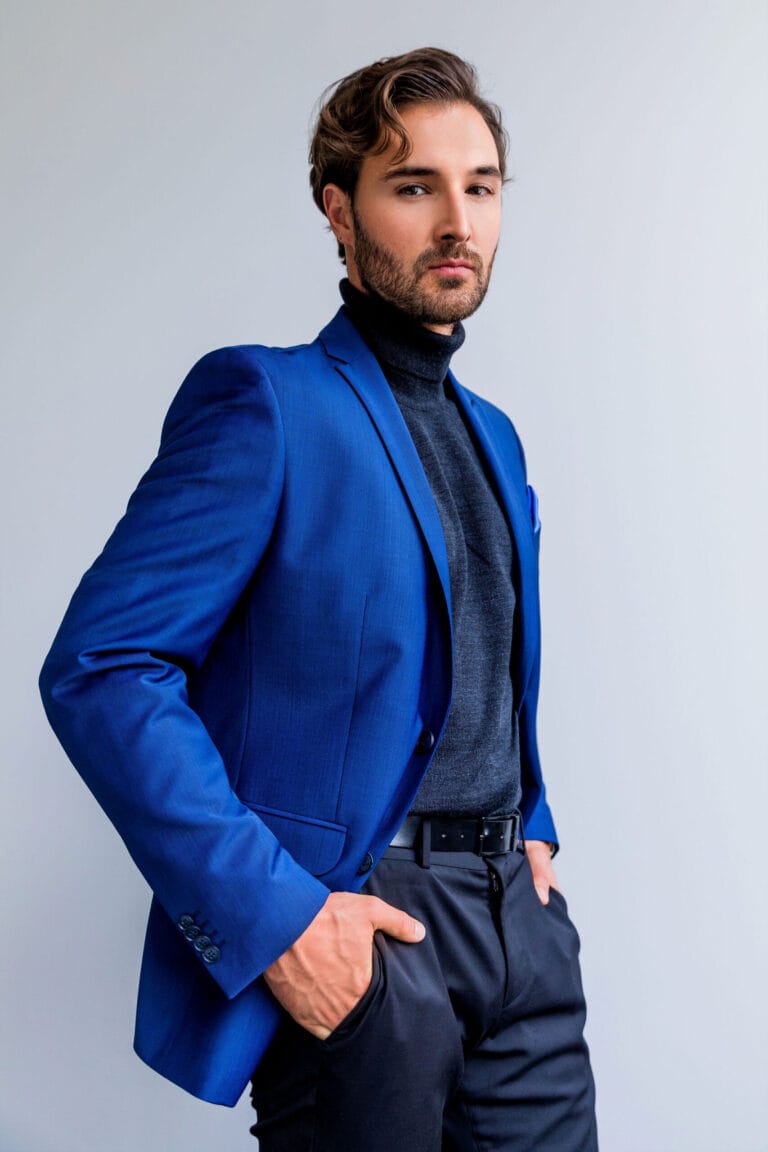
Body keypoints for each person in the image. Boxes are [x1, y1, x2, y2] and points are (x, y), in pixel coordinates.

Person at [40, 46, 597, 1152]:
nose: (458, 223)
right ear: (339, 211)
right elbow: (103, 669)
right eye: (414, 186)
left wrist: (529, 827)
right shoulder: (268, 401)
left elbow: (479, 675)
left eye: (481, 187)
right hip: (363, 925)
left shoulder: (496, 436)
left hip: (520, 933)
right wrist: (280, 920)